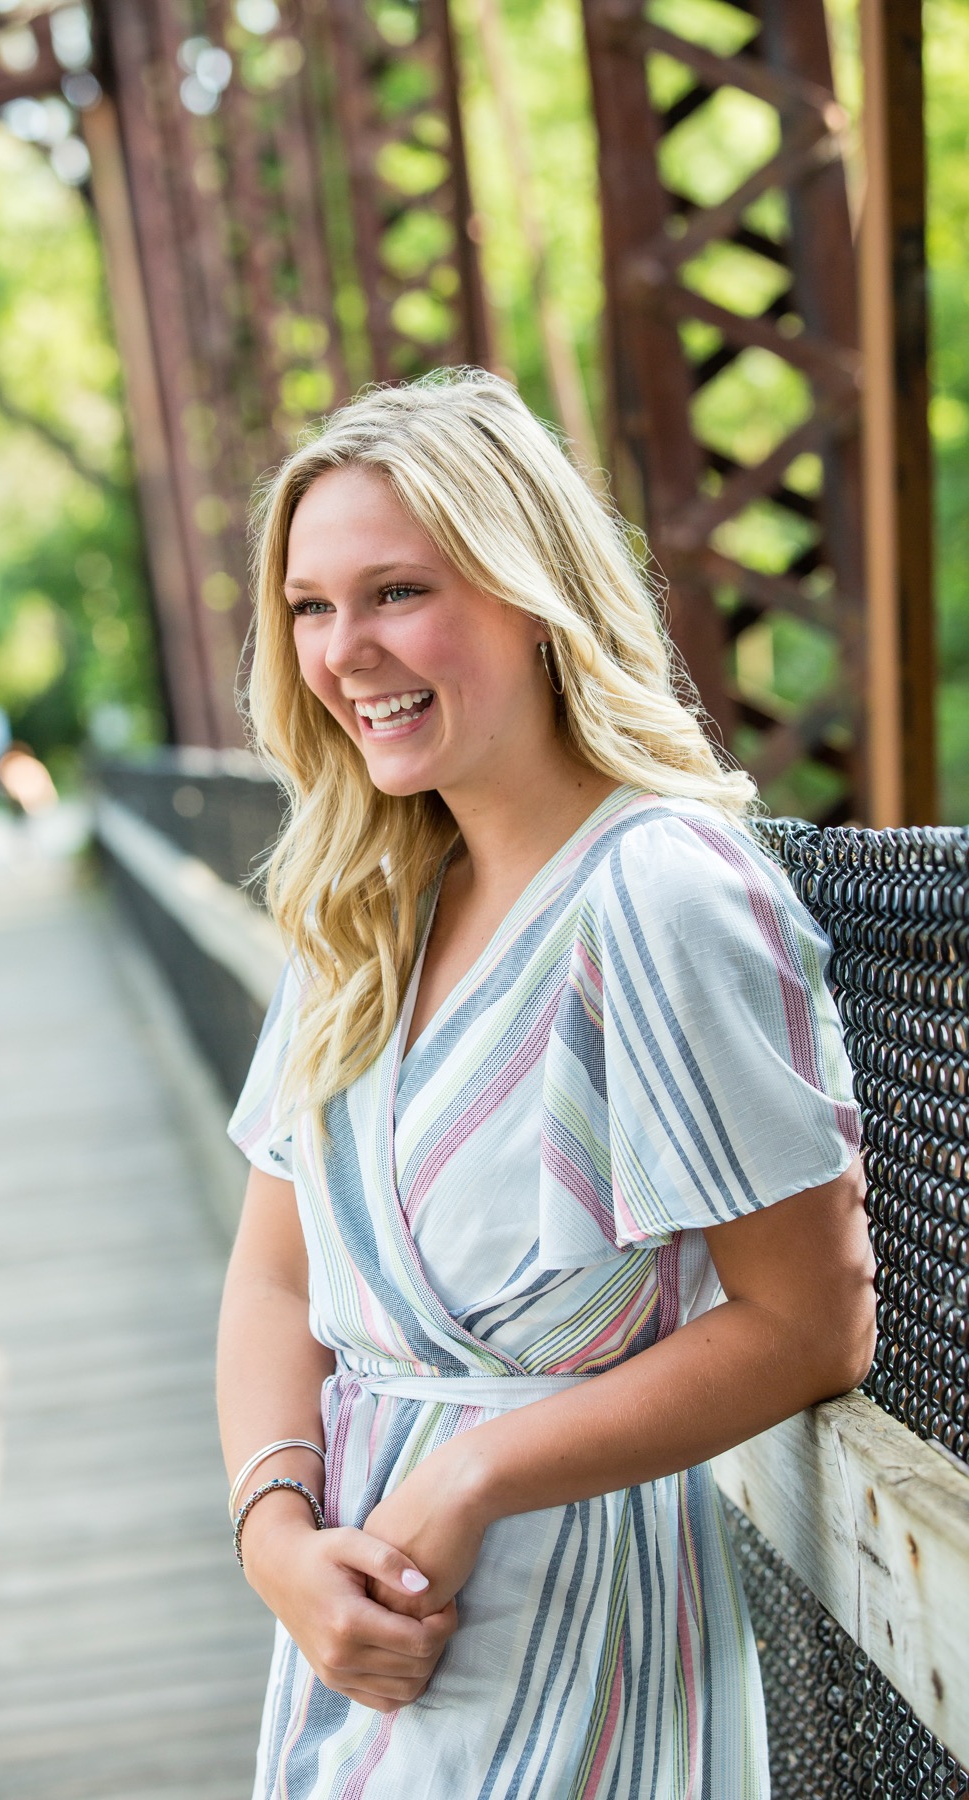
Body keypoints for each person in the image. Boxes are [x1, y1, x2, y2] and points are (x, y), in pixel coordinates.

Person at [217, 370, 874, 1799]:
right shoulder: (364, 902)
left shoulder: (661, 895)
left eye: (396, 590)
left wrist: (471, 1476)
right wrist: (276, 1540)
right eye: (312, 608)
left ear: (530, 594)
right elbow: (274, 1278)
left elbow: (810, 1324)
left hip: (578, 1636)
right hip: (349, 1631)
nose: (344, 652)